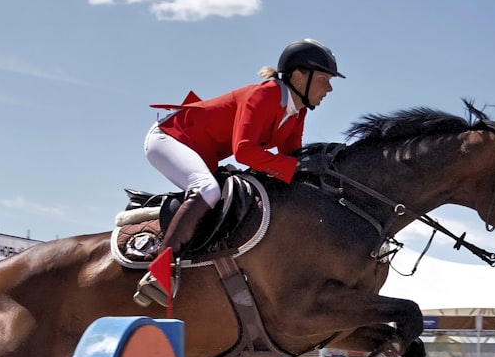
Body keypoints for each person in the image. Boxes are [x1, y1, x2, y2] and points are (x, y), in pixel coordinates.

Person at [133, 39, 344, 307]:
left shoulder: (296, 112)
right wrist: (297, 167)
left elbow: (290, 160)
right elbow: (244, 151)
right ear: (299, 77)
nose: (329, 88)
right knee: (207, 189)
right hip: (171, 137)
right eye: (324, 78)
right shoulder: (264, 94)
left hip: (204, 153)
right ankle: (160, 270)